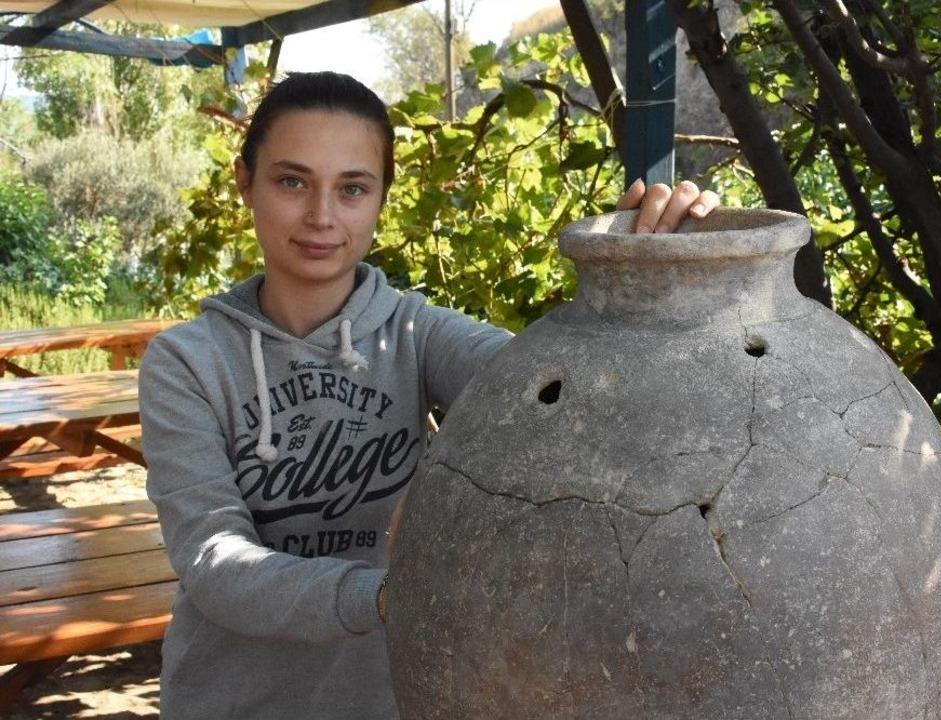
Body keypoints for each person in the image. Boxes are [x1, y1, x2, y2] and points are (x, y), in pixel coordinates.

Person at [139, 70, 720, 720]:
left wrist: (650, 283)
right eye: (292, 181)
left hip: (394, 699)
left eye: (352, 188)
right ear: (245, 182)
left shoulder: (417, 334)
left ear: (382, 197)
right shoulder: (188, 362)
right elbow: (214, 562)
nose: (321, 216)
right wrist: (392, 597)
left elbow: (565, 397)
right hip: (232, 703)